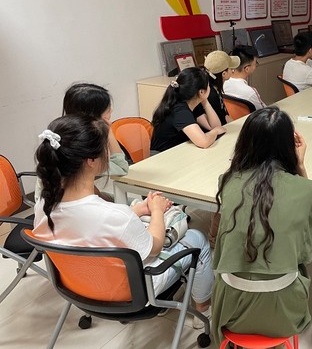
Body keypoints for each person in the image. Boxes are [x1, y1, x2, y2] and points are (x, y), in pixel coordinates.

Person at [34, 114, 213, 327]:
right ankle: (203, 310)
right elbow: (155, 246)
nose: (108, 153)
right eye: (105, 148)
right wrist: (156, 211)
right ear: (91, 161)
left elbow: (92, 226)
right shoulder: (114, 215)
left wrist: (136, 210)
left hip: (78, 287)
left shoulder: (43, 205)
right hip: (132, 291)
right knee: (197, 238)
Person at [211, 107, 312, 344]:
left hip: (230, 310)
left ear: (245, 142)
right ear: (288, 146)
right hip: (283, 314)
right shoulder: (306, 189)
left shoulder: (227, 182)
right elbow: (304, 251)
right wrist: (301, 166)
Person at [34, 83, 128, 202]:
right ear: (95, 116)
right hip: (69, 205)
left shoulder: (61, 133)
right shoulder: (83, 146)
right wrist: (107, 130)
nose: (111, 111)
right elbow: (121, 168)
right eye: (108, 108)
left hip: (51, 202)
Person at [150, 67, 226, 152]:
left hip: (177, 151)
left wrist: (205, 101)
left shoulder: (191, 102)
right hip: (161, 155)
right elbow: (204, 142)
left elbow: (215, 126)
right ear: (201, 92)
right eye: (208, 86)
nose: (210, 88)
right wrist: (215, 132)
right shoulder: (180, 110)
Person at [203, 50, 241, 125]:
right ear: (224, 74)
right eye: (231, 69)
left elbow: (224, 116)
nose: (233, 71)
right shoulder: (211, 95)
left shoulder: (212, 86)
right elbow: (220, 122)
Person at [223, 45, 267, 110]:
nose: (256, 65)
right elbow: (265, 112)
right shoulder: (250, 92)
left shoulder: (223, 83)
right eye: (256, 63)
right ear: (247, 69)